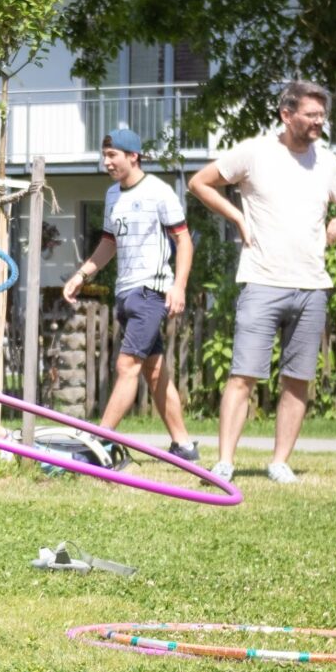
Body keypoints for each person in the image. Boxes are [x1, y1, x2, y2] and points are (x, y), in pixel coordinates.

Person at [187, 80, 336, 481]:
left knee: (298, 378)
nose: (319, 122)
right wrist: (236, 216)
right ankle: (225, 462)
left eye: (322, 115)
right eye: (311, 114)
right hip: (262, 280)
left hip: (313, 285)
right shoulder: (255, 152)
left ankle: (279, 462)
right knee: (244, 375)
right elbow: (199, 182)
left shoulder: (326, 160)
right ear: (286, 114)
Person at [60, 126, 199, 461]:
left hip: (152, 290)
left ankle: (100, 442)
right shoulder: (112, 195)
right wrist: (81, 274)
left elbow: (184, 241)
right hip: (125, 293)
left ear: (133, 156)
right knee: (153, 371)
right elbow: (109, 243)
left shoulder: (159, 192)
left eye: (112, 156)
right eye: (104, 155)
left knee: (127, 366)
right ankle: (184, 445)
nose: (106, 162)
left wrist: (178, 286)